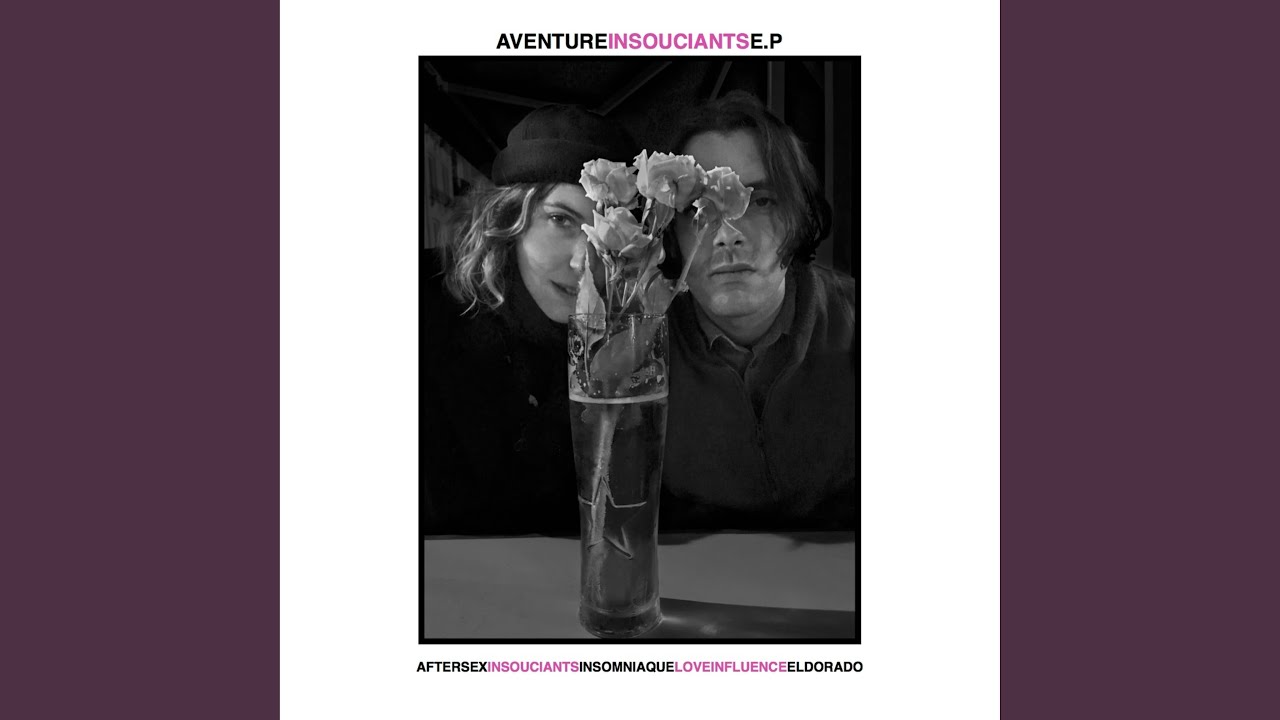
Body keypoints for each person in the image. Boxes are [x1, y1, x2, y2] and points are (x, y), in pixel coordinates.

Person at [423, 105, 636, 536]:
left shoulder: (629, 338)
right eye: (561, 220)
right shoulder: (424, 312)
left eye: (606, 232)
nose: (583, 261)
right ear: (509, 219)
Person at [659, 91, 857, 532]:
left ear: (798, 214)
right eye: (698, 208)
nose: (727, 234)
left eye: (761, 201)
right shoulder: (637, 346)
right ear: (670, 230)